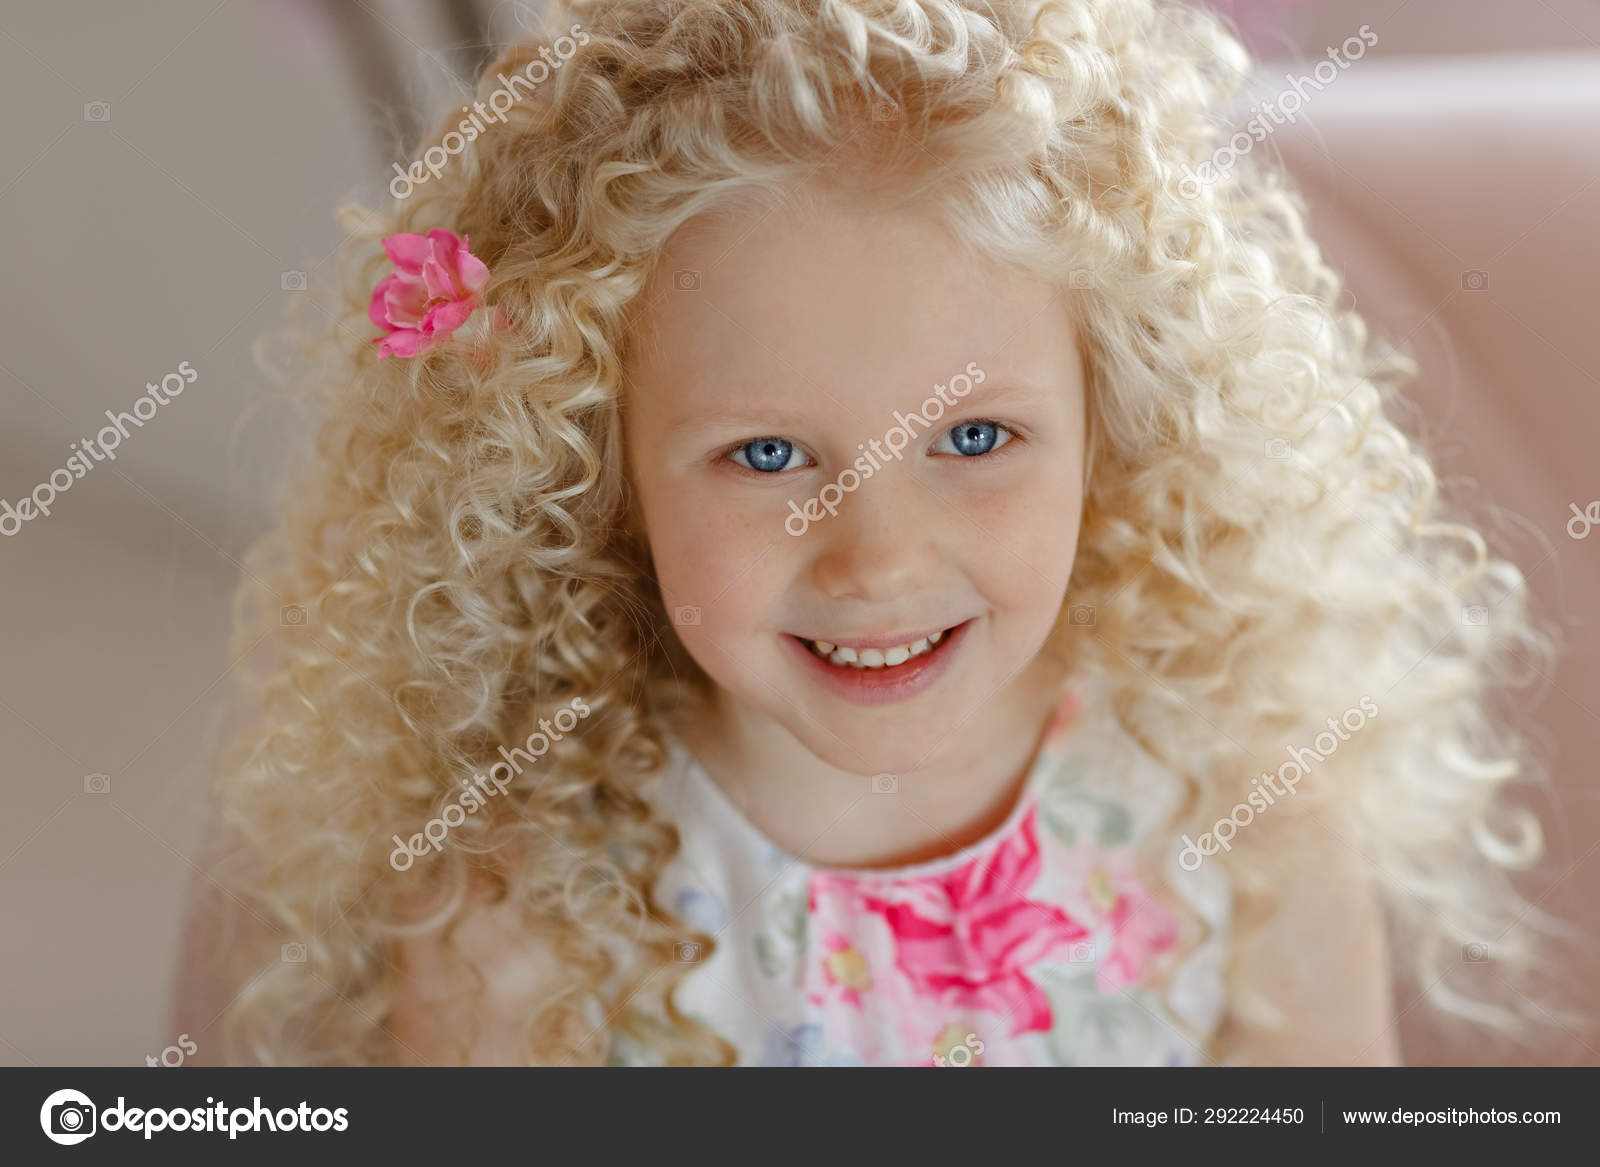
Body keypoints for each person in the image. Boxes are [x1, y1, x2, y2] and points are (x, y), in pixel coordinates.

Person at [174, 0, 1559, 1066]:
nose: (876, 559)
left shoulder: (1246, 819)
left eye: (973, 439)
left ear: (1117, 425)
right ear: (594, 471)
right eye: (768, 455)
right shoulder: (518, 913)